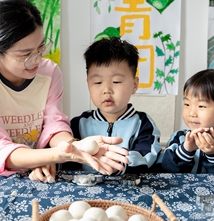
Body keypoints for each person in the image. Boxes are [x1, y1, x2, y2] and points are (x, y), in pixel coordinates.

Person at [0, 0, 129, 182]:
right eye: (25, 54)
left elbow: (54, 125)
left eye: (40, 48)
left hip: (43, 170)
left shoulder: (50, 72)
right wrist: (53, 155)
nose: (36, 60)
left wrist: (74, 147)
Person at [69, 37, 162, 174]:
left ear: (134, 85)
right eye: (98, 82)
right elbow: (66, 159)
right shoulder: (78, 124)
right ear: (88, 84)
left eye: (116, 81)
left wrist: (116, 164)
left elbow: (146, 158)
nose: (107, 89)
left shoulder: (143, 124)